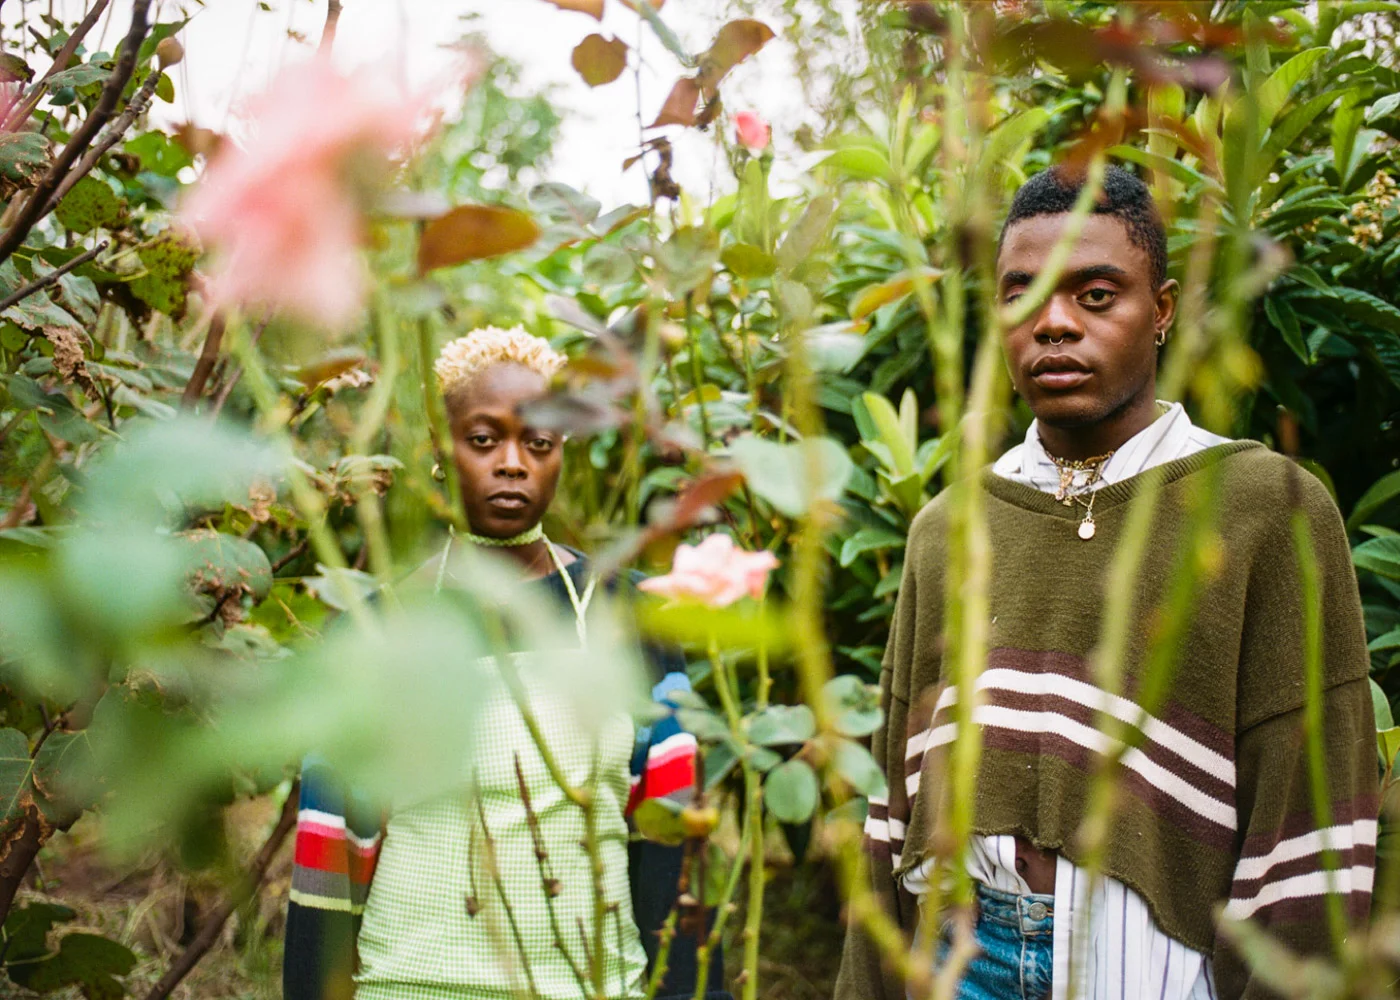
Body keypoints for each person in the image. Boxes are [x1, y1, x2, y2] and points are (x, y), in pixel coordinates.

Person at [835, 166, 1377, 1000]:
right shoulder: (947, 528)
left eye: (1095, 296)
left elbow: (1310, 810)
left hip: (1155, 964)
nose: (1053, 324)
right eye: (1024, 294)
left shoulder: (1266, 509)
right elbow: (893, 801)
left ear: (1160, 311)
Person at [283, 326, 726, 1000]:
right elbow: (329, 859)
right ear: (440, 449)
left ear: (562, 454)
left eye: (537, 443)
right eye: (484, 440)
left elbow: (672, 850)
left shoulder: (631, 617)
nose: (512, 462)